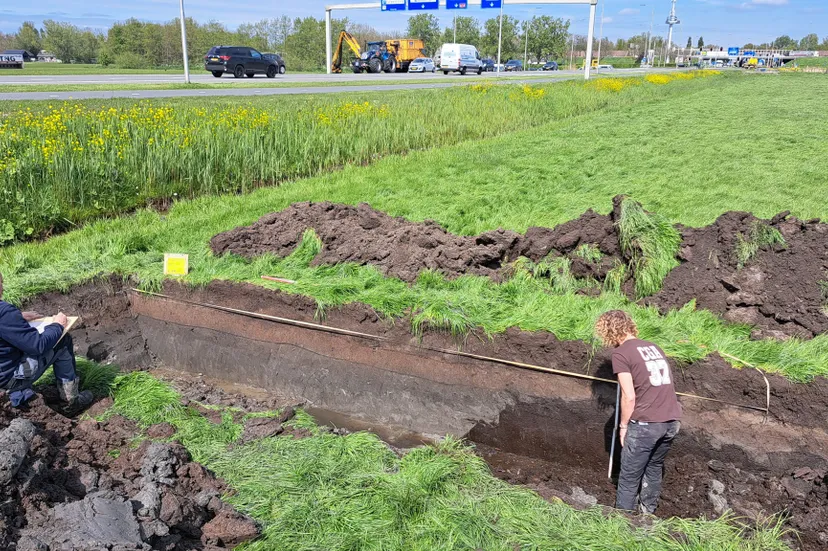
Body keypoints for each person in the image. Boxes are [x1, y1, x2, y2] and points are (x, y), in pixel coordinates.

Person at [595, 310, 682, 514]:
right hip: (671, 421)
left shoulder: (621, 353)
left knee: (628, 477)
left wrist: (624, 426)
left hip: (646, 424)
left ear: (610, 331)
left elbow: (629, 396)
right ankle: (647, 516)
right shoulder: (653, 347)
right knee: (653, 468)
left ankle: (624, 524)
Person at [0, 272, 93, 409]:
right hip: (8, 381)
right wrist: (57, 325)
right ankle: (71, 402)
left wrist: (17, 317)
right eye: (1, 283)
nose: (3, 288)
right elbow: (38, 346)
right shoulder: (4, 313)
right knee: (63, 341)